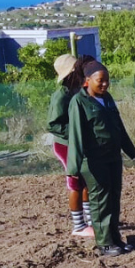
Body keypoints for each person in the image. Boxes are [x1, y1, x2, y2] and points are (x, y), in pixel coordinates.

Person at [66, 60, 135, 257]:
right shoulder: (79, 102)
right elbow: (76, 135)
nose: (105, 84)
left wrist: (130, 150)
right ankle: (104, 243)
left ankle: (116, 239)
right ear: (87, 81)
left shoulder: (107, 98)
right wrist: (73, 168)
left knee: (114, 198)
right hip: (93, 161)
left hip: (113, 157)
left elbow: (118, 126)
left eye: (107, 80)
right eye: (100, 80)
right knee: (101, 201)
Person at [48, 54, 94, 237]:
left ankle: (91, 222)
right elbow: (53, 124)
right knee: (75, 183)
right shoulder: (61, 96)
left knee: (87, 181)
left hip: (79, 143)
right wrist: (76, 133)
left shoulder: (78, 90)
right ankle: (79, 226)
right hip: (66, 145)